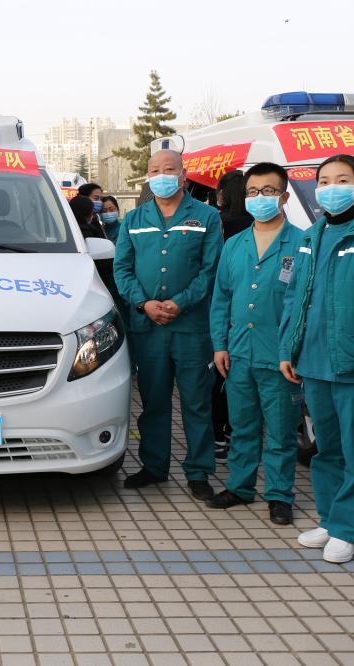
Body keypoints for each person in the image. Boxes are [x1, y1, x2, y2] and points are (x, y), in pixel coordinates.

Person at [279, 154, 354, 563]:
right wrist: (288, 350)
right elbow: (294, 298)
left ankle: (349, 531)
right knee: (326, 450)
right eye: (325, 181)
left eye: (342, 180)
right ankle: (330, 520)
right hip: (314, 364)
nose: (332, 188)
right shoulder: (311, 237)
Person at [113, 149, 223, 500]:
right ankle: (154, 466)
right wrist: (144, 303)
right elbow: (122, 269)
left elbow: (211, 270)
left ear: (183, 175)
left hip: (191, 328)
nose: (162, 175)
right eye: (155, 170)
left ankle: (199, 471)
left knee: (196, 402)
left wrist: (181, 302)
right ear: (148, 176)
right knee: (153, 401)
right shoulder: (134, 219)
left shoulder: (206, 216)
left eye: (169, 169)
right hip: (148, 328)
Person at [207, 163, 304, 526]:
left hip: (280, 357)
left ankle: (279, 495)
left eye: (268, 191)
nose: (259, 198)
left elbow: (305, 304)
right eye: (252, 192)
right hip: (239, 353)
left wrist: (293, 350)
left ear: (284, 197)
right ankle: (240, 487)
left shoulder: (302, 244)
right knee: (242, 425)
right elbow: (222, 297)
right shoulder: (234, 244)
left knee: (280, 432)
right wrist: (220, 344)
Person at [210, 169, 253, 461]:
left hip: (224, 315)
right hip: (252, 317)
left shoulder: (219, 225)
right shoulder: (259, 226)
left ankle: (218, 437)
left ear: (223, 194)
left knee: (220, 380)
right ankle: (235, 434)